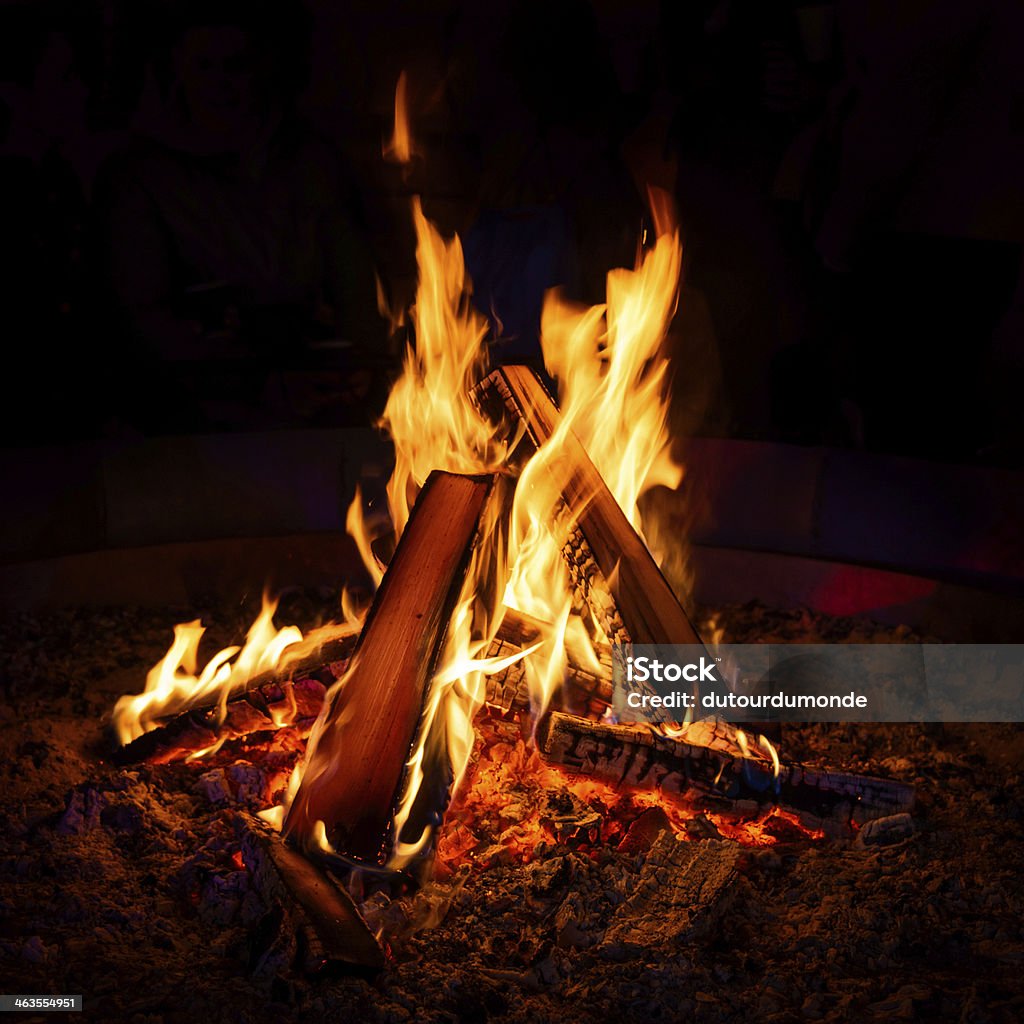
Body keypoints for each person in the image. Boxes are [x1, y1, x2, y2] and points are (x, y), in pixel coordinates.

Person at [93, 0, 385, 432]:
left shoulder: (310, 162)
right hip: (193, 421)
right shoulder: (139, 177)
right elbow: (143, 324)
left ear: (262, 67)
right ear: (178, 67)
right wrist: (254, 385)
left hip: (313, 409)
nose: (221, 84)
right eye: (205, 66)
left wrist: (358, 361)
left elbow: (357, 286)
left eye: (235, 66)